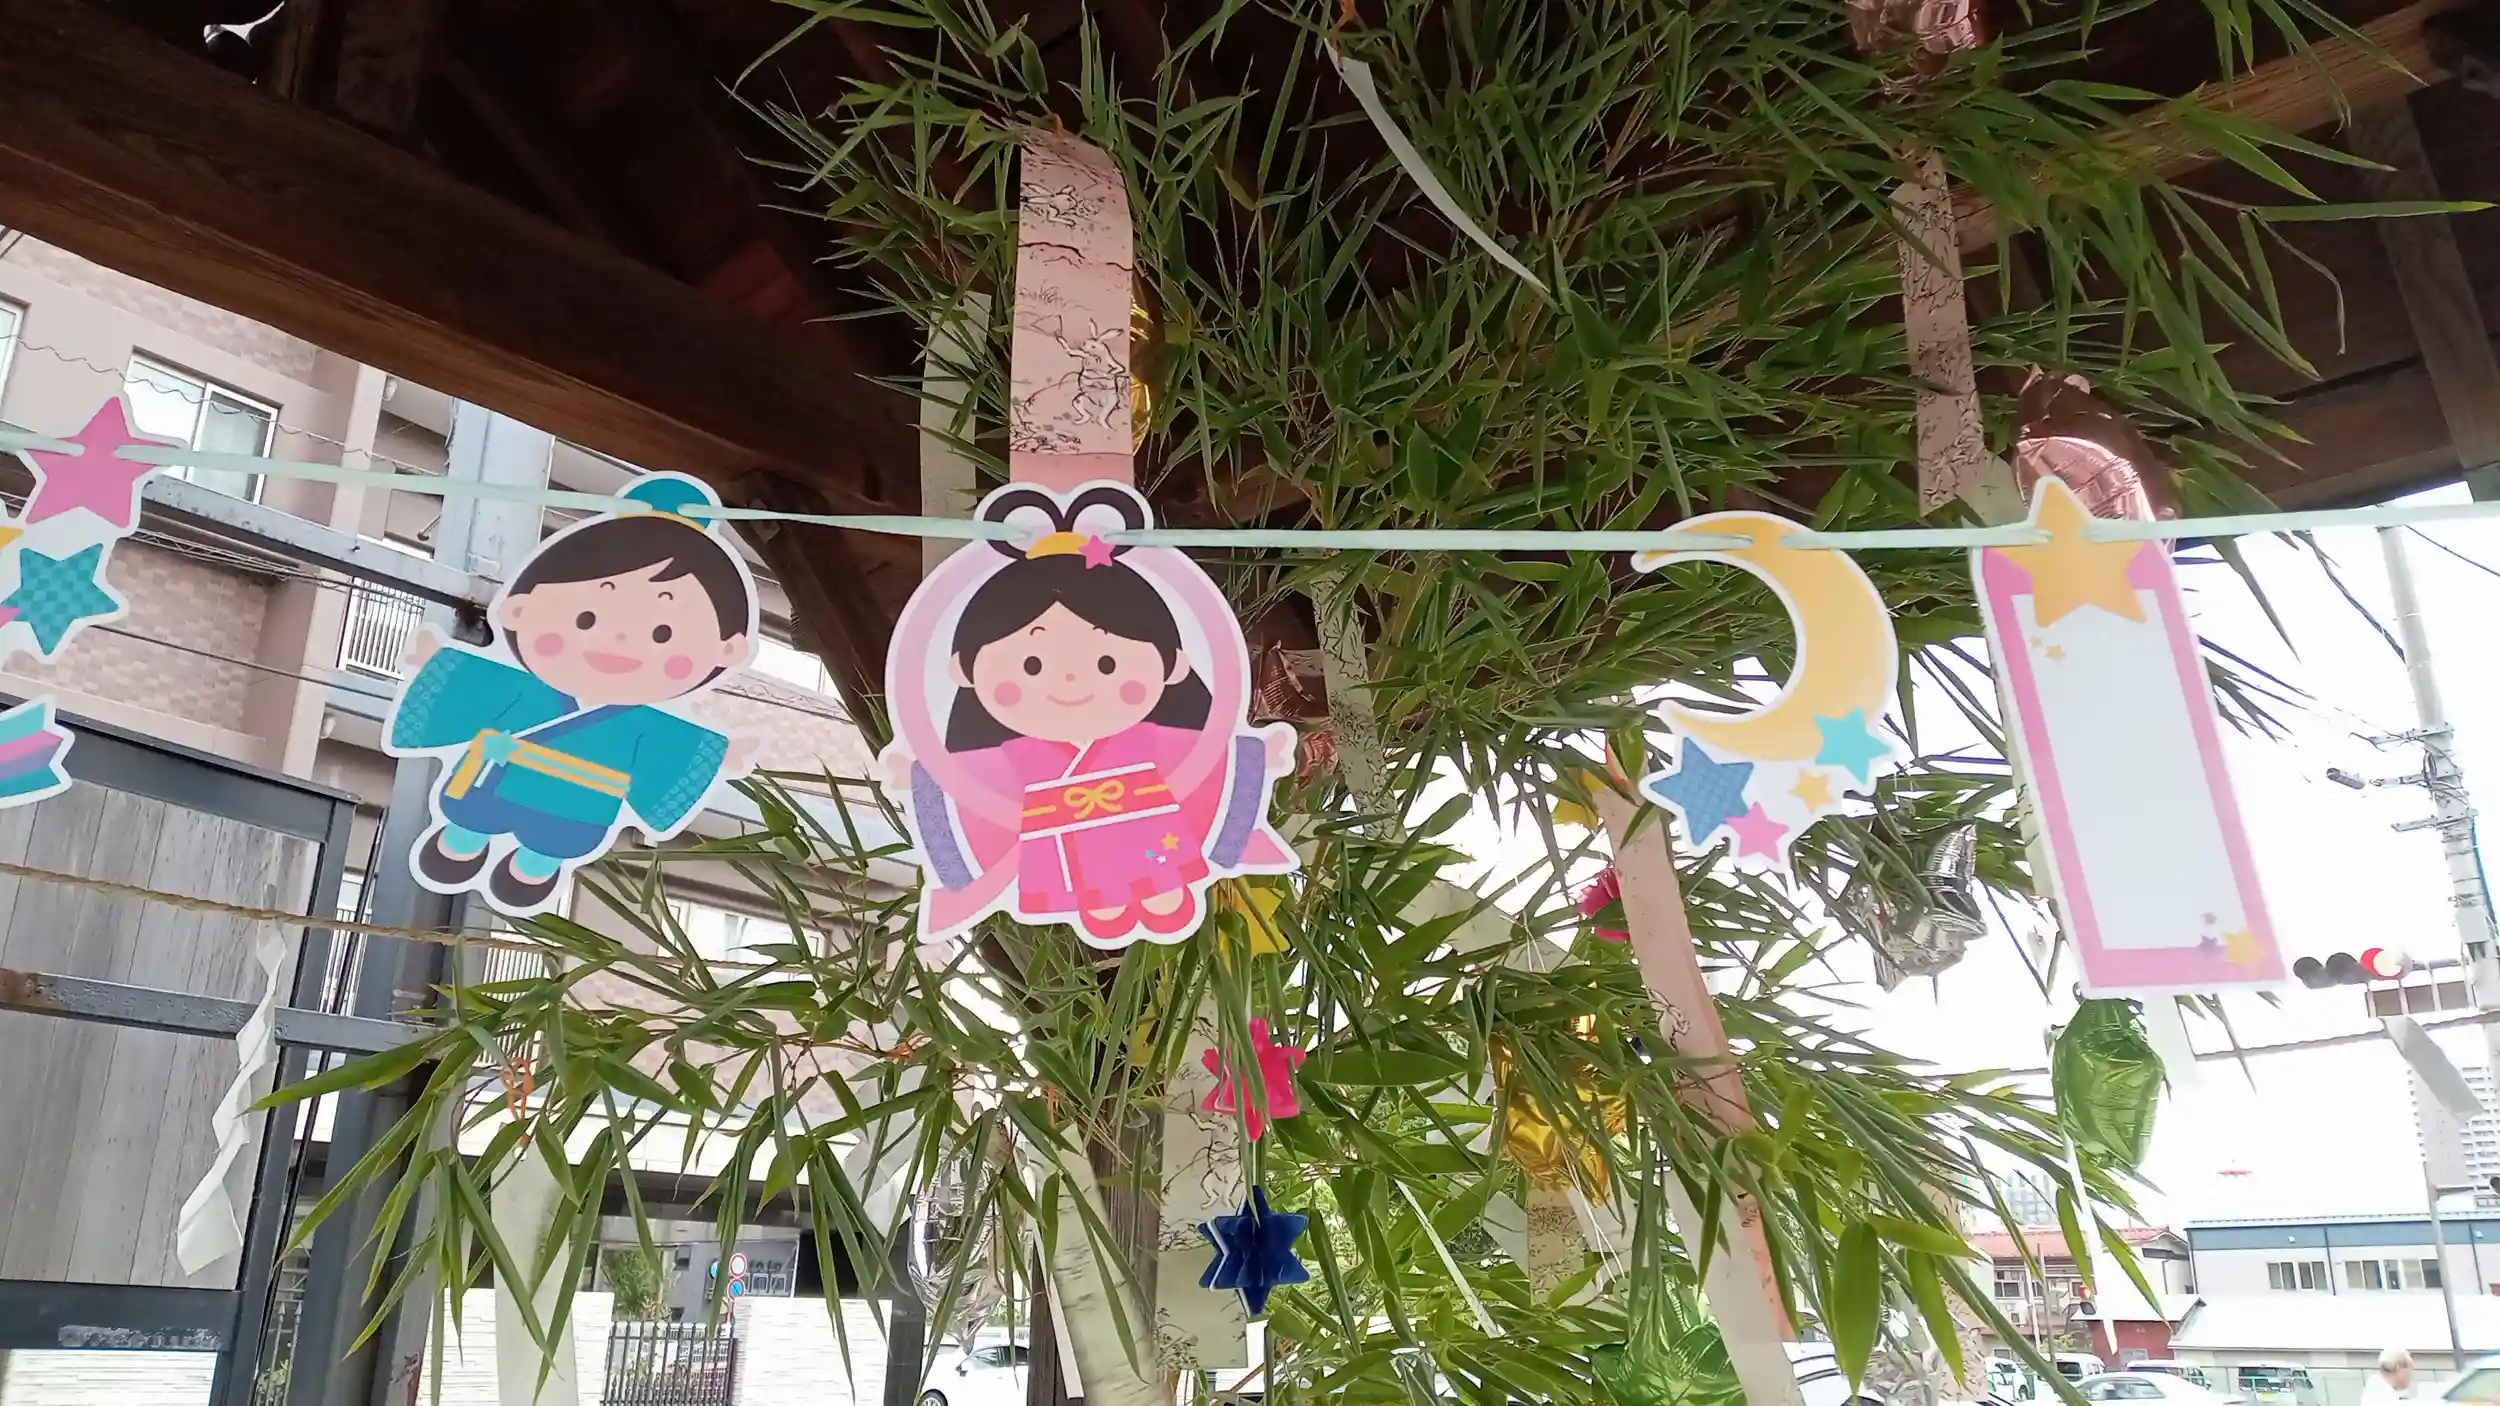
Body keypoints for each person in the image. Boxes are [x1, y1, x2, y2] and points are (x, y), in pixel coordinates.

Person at [881, 484, 1293, 945]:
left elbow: (1207, 759)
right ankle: (1103, 899)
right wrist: (922, 776)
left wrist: (1255, 755)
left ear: (1174, 664)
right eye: (1031, 665)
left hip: (1149, 832)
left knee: (1156, 877)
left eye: (1107, 663)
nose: (1070, 681)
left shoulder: (1157, 738)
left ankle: (1154, 890)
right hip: (1063, 850)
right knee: (1094, 889)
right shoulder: (1012, 754)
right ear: (964, 669)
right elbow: (970, 783)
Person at [388, 474, 759, 913]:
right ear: (520, 608)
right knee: (471, 823)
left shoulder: (643, 720)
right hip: (498, 779)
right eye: (586, 619)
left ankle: (531, 869)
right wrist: (437, 663)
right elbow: (470, 686)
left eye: (661, 633)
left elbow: (678, 747)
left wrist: (719, 754)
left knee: (549, 846)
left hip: (575, 804)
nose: (618, 641)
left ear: (726, 650)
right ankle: (463, 844)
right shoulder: (521, 683)